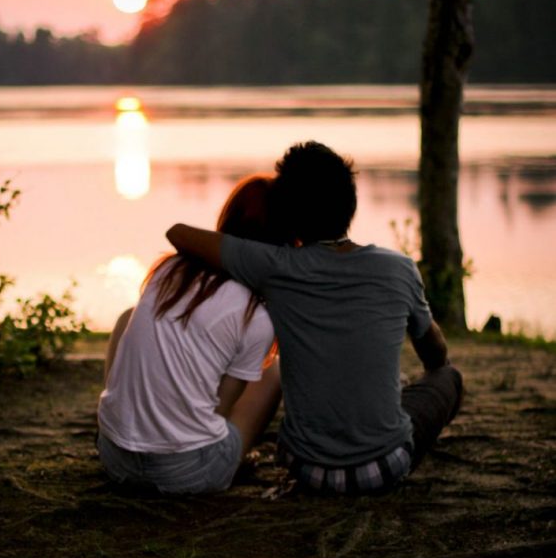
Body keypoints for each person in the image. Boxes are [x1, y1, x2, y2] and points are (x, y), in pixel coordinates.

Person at [167, 141, 463, 495]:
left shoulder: (274, 266)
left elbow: (177, 234)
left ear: (289, 217)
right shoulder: (398, 269)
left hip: (306, 470)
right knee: (448, 377)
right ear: (350, 205)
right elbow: (435, 353)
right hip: (384, 469)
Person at [97, 175, 290, 494]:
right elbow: (221, 410)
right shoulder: (255, 315)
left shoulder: (169, 270)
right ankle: (235, 457)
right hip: (187, 475)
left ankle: (125, 422)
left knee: (127, 318)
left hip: (115, 459)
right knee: (272, 372)